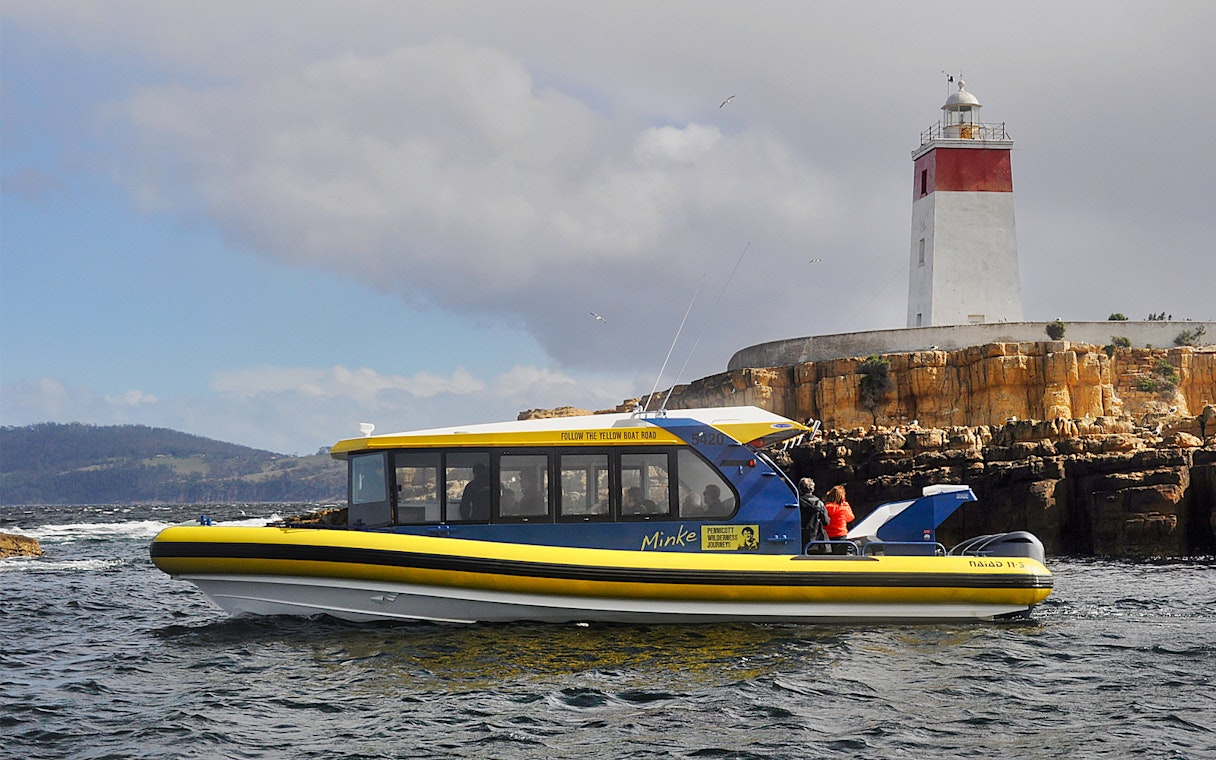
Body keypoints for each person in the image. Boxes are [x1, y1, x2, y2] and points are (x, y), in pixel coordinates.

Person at [798, 478, 829, 553]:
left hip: (801, 538)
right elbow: (826, 522)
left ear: (800, 488)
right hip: (817, 540)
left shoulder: (797, 503)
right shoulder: (819, 503)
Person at [824, 484, 854, 554]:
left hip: (827, 537)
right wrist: (846, 504)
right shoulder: (843, 508)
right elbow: (851, 518)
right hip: (840, 536)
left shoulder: (825, 507)